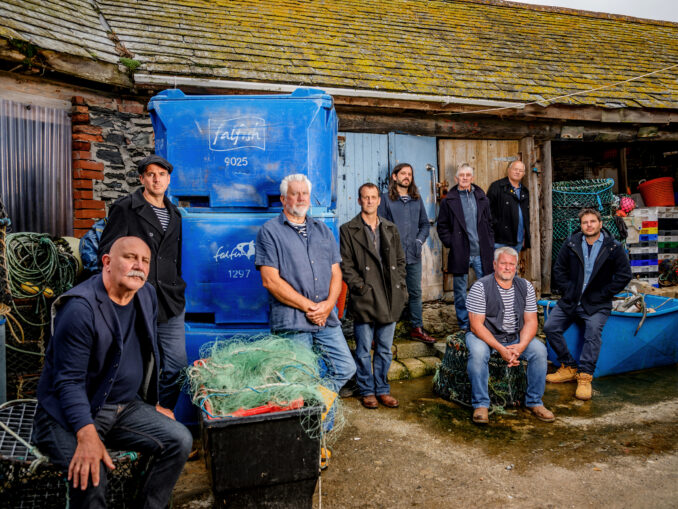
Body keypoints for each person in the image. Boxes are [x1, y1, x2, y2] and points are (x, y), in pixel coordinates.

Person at [33, 237, 193, 509]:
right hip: (67, 416)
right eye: (130, 257)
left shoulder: (146, 295)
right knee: (92, 474)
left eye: (145, 261)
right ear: (106, 262)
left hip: (123, 409)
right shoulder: (80, 309)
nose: (139, 266)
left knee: (180, 439)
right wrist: (86, 434)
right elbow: (68, 382)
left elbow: (145, 355)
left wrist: (151, 405)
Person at [255, 174, 356, 430]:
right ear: (283, 198)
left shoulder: (322, 230)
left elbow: (336, 273)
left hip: (325, 318)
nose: (301, 198)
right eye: (295, 193)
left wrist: (327, 305)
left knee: (345, 367)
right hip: (293, 320)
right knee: (300, 380)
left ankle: (318, 418)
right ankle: (313, 436)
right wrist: (310, 307)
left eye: (305, 194)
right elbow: (270, 281)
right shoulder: (270, 231)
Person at [98, 155, 186, 416]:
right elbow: (107, 252)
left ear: (168, 180)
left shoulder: (176, 215)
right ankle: (137, 419)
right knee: (136, 367)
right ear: (142, 179)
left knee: (177, 367)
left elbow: (176, 256)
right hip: (135, 300)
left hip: (170, 300)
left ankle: (162, 414)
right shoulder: (126, 208)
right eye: (150, 174)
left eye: (162, 174)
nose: (156, 179)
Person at [544, 208, 632, 400]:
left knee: (592, 333)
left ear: (600, 224)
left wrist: (604, 294)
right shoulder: (571, 243)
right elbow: (558, 270)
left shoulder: (613, 247)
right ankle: (568, 367)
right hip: (571, 299)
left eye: (592, 221)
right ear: (581, 225)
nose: (589, 225)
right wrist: (569, 290)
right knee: (550, 327)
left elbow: (624, 275)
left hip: (597, 303)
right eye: (585, 222)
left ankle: (584, 377)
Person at [465, 247, 554, 424]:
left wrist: (521, 346)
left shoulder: (525, 286)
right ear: (494, 264)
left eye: (511, 264)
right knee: (478, 354)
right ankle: (481, 404)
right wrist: (501, 349)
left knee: (539, 351)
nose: (507, 267)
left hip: (514, 336)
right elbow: (476, 326)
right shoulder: (480, 287)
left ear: (516, 267)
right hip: (484, 336)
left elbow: (531, 321)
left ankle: (534, 401)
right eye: (503, 263)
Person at [340, 183, 407, 409]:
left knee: (385, 349)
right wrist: (360, 287)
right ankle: (367, 390)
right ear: (359, 200)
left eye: (373, 197)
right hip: (365, 296)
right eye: (365, 197)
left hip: (389, 295)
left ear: (379, 200)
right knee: (362, 349)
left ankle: (382, 389)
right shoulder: (348, 229)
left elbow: (400, 260)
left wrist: (401, 286)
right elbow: (346, 264)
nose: (369, 201)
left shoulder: (390, 228)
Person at [377, 162, 434, 343]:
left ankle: (417, 328)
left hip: (413, 255)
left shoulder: (416, 200)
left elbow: (425, 224)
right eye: (403, 173)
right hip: (392, 256)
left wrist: (419, 241)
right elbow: (379, 226)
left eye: (409, 174)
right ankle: (381, 333)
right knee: (389, 292)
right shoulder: (385, 199)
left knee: (415, 292)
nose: (407, 177)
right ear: (394, 177)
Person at [437, 163, 494, 331]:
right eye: (461, 175)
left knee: (486, 289)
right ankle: (464, 325)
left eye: (468, 175)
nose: (464, 178)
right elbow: (442, 226)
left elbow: (490, 223)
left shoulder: (482, 198)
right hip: (461, 251)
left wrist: (490, 242)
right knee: (460, 292)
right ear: (456, 178)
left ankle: (485, 324)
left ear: (472, 178)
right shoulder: (448, 201)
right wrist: (452, 243)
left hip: (481, 252)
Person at [487, 160, 530, 253]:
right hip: (500, 240)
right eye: (515, 169)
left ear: (524, 174)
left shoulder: (525, 191)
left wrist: (525, 237)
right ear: (509, 170)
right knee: (499, 262)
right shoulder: (497, 187)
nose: (517, 172)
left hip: (518, 241)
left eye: (521, 170)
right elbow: (487, 212)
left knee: (512, 263)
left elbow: (526, 216)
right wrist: (496, 229)